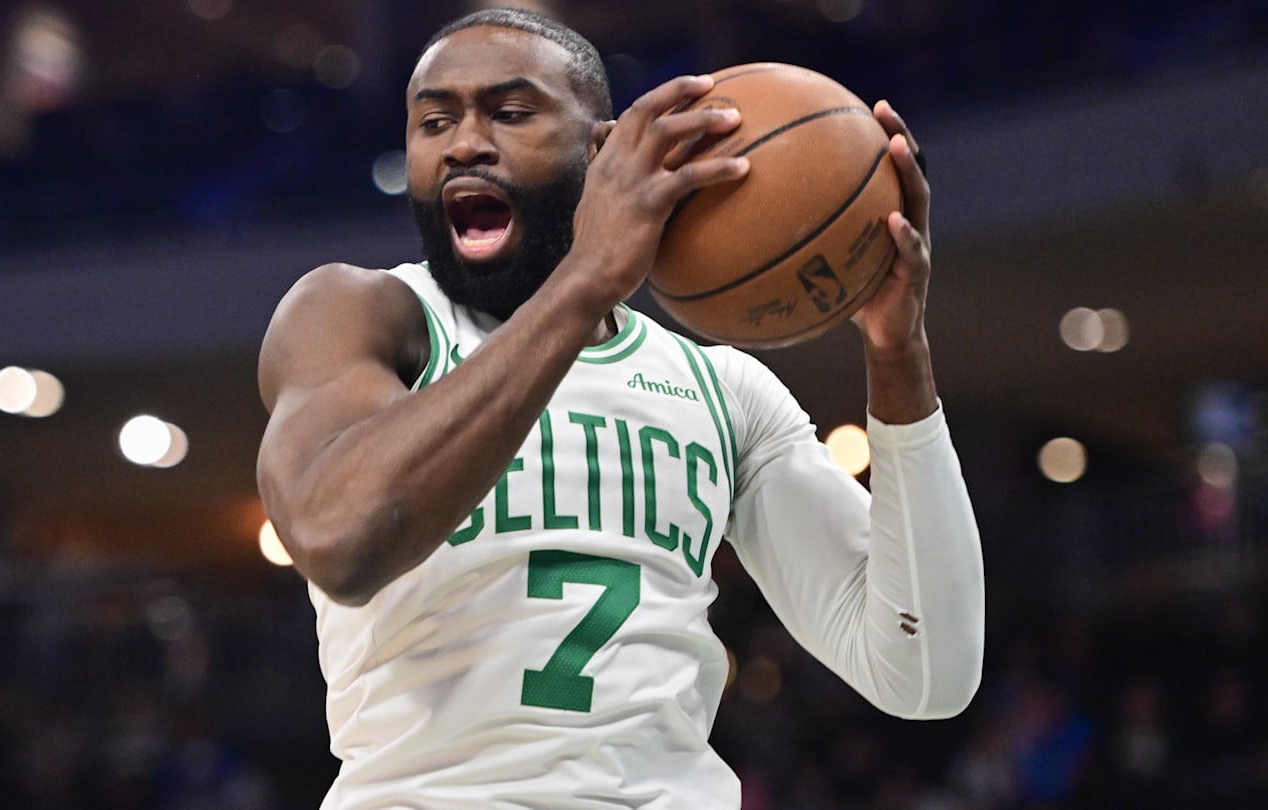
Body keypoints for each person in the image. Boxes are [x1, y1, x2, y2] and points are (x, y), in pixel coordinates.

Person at [256, 8, 984, 808]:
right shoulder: (361, 314)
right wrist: (588, 279)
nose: (464, 142)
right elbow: (340, 537)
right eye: (435, 120)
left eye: (510, 112)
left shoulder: (721, 390)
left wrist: (898, 356)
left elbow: (926, 673)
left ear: (603, 152)